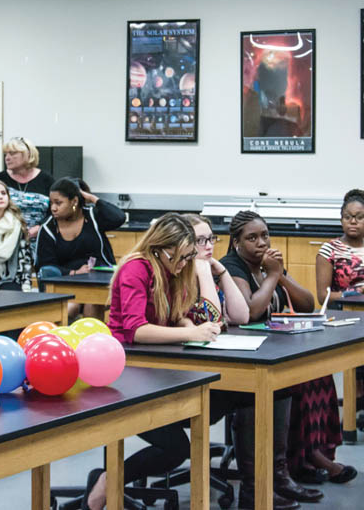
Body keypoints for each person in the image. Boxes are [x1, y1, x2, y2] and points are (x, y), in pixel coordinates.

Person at [83, 213, 252, 510]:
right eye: (184, 256)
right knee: (175, 450)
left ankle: (107, 479)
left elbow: (179, 314)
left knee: (236, 396)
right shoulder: (136, 268)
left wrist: (188, 324)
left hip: (159, 370)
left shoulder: (175, 271)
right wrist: (189, 331)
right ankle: (105, 483)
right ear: (165, 249)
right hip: (126, 372)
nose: (187, 263)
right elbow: (136, 330)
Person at [220, 210, 322, 509]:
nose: (261, 243)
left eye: (265, 235)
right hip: (236, 358)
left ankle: (279, 477)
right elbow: (250, 311)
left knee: (291, 385)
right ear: (236, 242)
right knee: (253, 399)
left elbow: (307, 304)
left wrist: (281, 274)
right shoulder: (232, 266)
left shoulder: (269, 264)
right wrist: (273, 276)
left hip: (269, 351)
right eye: (252, 238)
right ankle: (253, 490)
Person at [35, 178, 125, 320]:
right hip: (66, 282)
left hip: (99, 281)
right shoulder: (48, 228)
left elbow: (119, 218)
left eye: (59, 203)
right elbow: (45, 265)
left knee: (92, 304)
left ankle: (92, 341)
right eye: (51, 203)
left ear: (74, 201)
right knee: (71, 307)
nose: (53, 208)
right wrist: (74, 272)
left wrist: (92, 199)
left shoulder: (93, 216)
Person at [316, 189, 364, 305]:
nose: (353, 221)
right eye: (347, 217)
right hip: (344, 311)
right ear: (341, 220)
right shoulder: (330, 250)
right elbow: (323, 297)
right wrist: (357, 292)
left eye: (359, 217)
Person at [182, 213, 249, 326]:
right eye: (200, 240)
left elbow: (241, 317)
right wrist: (204, 272)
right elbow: (212, 322)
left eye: (211, 238)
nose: (209, 246)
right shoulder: (175, 279)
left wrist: (223, 272)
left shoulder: (210, 271)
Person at [0, 137, 54, 243]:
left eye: (12, 153)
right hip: (5, 240)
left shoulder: (47, 180)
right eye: (6, 154)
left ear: (28, 154)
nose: (7, 158)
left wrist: (40, 227)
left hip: (40, 239)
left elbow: (55, 212)